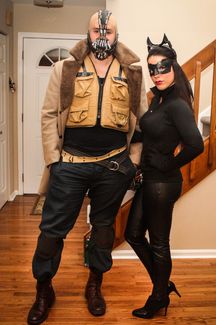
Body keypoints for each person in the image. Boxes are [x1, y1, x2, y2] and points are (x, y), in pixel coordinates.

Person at [27, 9, 147, 325]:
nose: (102, 36)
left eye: (108, 31)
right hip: (70, 164)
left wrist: (132, 161)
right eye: (97, 30)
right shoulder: (64, 68)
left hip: (113, 166)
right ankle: (43, 289)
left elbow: (142, 123)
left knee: (103, 230)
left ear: (116, 34)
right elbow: (49, 115)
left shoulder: (133, 73)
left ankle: (95, 284)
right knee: (52, 231)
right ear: (89, 31)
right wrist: (54, 159)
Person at [125, 34, 204, 319]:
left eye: (162, 67)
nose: (157, 73)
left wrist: (169, 162)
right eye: (152, 68)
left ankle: (158, 296)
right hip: (149, 179)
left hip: (163, 184)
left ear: (174, 67)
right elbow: (151, 131)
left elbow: (196, 144)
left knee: (158, 242)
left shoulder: (177, 104)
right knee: (132, 234)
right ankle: (163, 285)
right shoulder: (159, 100)